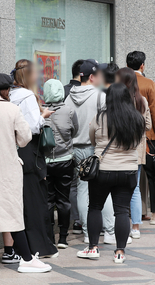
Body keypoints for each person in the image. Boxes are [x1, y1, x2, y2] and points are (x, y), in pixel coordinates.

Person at [0, 73, 52, 273]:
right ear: (5, 90)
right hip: (7, 167)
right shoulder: (12, 109)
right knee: (13, 212)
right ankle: (26, 259)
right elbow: (25, 137)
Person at [76, 83, 145, 263]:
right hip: (128, 170)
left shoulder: (100, 118)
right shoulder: (137, 118)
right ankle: (120, 252)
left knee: (95, 207)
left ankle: (93, 248)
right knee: (122, 211)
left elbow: (93, 140)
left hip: (103, 170)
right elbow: (138, 143)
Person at [10, 59, 57, 257]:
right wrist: (44, 115)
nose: (38, 77)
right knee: (35, 200)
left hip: (14, 151)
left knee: (21, 201)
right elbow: (31, 127)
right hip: (30, 151)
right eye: (36, 74)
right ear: (28, 75)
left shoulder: (10, 94)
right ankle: (38, 246)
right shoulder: (27, 95)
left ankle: (20, 247)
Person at [64, 59, 113, 244]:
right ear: (91, 77)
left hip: (75, 149)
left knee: (83, 190)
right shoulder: (100, 95)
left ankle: (87, 232)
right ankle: (109, 231)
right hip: (95, 148)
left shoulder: (68, 97)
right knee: (104, 190)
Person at [126, 51, 155, 225]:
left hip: (125, 134)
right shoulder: (149, 84)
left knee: (130, 177)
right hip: (147, 136)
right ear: (142, 65)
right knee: (152, 176)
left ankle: (132, 212)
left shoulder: (120, 82)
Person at [42, 79, 79, 249]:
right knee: (64, 200)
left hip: (46, 162)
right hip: (65, 161)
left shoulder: (40, 111)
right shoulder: (70, 111)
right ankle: (63, 237)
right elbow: (75, 131)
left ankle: (49, 236)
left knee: (48, 201)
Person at [116, 67, 151, 238]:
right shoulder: (142, 100)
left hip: (119, 149)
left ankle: (116, 225)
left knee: (118, 188)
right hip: (137, 150)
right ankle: (135, 227)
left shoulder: (117, 100)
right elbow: (149, 125)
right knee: (135, 188)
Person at [65, 59, 85, 235]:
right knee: (85, 184)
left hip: (66, 146)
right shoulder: (94, 93)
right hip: (87, 144)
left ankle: (76, 221)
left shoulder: (64, 92)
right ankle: (86, 222)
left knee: (72, 185)